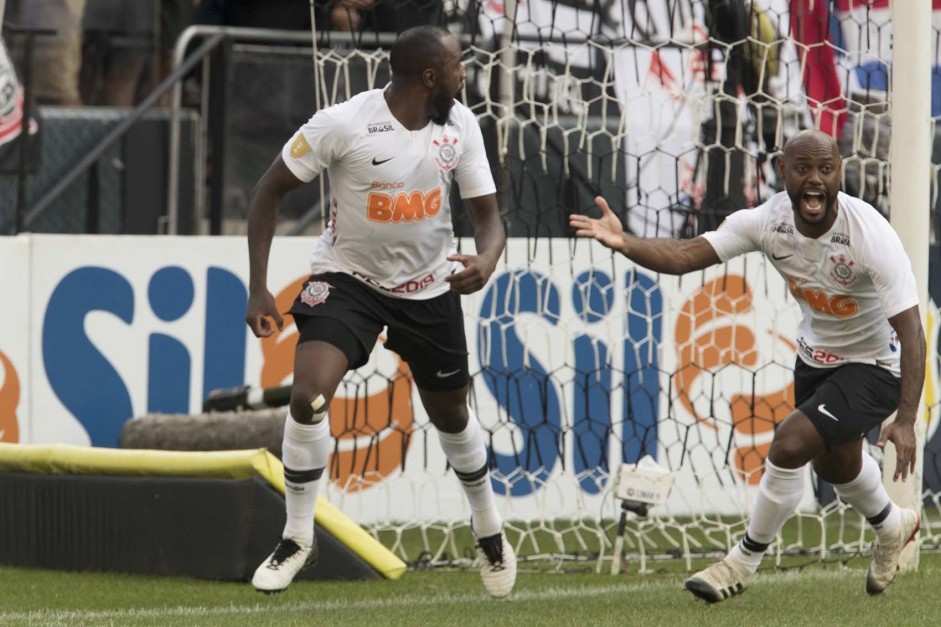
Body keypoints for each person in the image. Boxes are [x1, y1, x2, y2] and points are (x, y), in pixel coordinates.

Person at [569, 128, 923, 603]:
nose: (814, 180)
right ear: (782, 171)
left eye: (825, 169)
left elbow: (913, 330)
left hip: (877, 365)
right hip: (816, 358)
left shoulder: (870, 236)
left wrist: (904, 418)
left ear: (840, 171)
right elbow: (684, 254)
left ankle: (741, 561)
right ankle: (892, 526)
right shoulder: (766, 220)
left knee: (789, 443)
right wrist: (625, 242)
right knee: (837, 466)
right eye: (803, 169)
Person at [244, 25, 516, 597]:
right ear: (428, 76)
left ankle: (488, 528)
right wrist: (259, 288)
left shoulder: (460, 125)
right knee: (307, 394)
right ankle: (296, 536)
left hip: (427, 288)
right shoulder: (342, 123)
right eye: (457, 66)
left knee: (452, 418)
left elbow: (488, 219)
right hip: (349, 280)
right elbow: (267, 192)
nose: (464, 74)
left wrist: (486, 261)